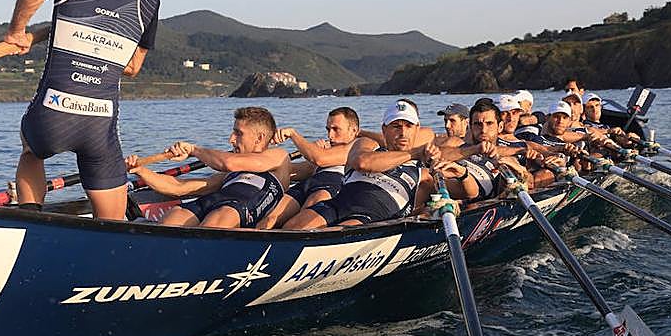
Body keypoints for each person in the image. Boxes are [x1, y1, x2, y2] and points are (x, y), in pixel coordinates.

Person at [4, 0, 160, 219]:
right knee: (113, 221)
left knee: (31, 151)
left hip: (53, 114)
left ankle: (31, 221)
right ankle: (112, 242)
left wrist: (18, 31)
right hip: (99, 123)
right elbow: (133, 66)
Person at [284, 100, 446, 229]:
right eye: (396, 126)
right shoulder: (366, 144)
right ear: (384, 129)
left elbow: (457, 190)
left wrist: (457, 178)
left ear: (417, 129)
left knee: (336, 233)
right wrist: (414, 153)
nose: (403, 132)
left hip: (370, 217)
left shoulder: (423, 173)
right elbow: (362, 162)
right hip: (338, 204)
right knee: (293, 227)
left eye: (409, 126)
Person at [128, 107, 291, 228]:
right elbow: (178, 187)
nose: (231, 139)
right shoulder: (229, 175)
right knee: (174, 217)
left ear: (259, 138)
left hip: (233, 210)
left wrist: (193, 150)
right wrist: (140, 170)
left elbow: (229, 163)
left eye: (238, 133)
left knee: (219, 219)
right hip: (210, 202)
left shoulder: (279, 157)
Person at [258, 107, 360, 229]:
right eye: (328, 129)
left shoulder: (358, 147)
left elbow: (320, 159)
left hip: (329, 186)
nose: (330, 135)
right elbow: (292, 170)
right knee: (270, 218)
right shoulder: (324, 151)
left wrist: (293, 134)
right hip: (308, 183)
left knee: (301, 223)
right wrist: (263, 159)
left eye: (336, 129)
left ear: (353, 131)